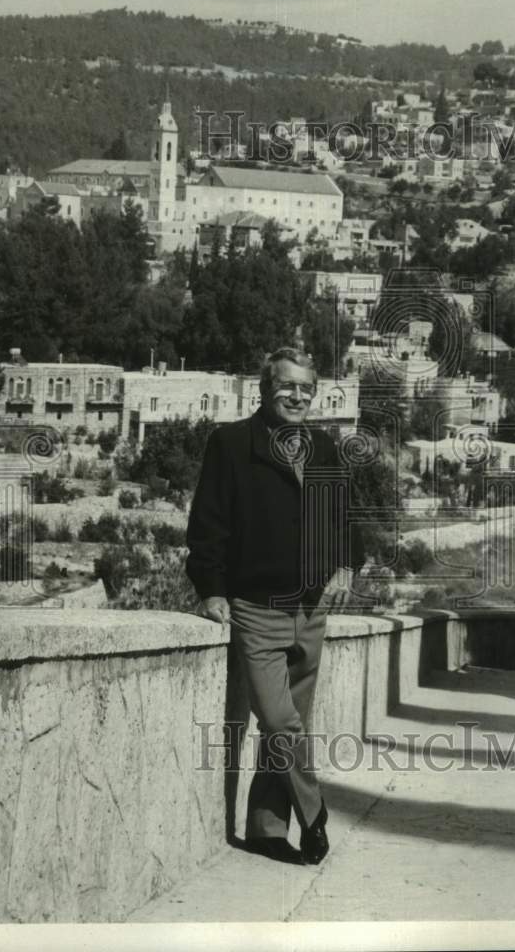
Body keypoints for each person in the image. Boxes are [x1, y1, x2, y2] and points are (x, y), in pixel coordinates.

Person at [186, 347, 364, 864]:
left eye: (306, 389)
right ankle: (315, 814)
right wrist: (211, 588)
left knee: (289, 728)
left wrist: (347, 566)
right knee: (281, 723)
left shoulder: (325, 447)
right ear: (265, 389)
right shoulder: (232, 443)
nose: (298, 396)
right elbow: (208, 525)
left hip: (310, 610)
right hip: (255, 607)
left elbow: (345, 519)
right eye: (288, 386)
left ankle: (266, 827)